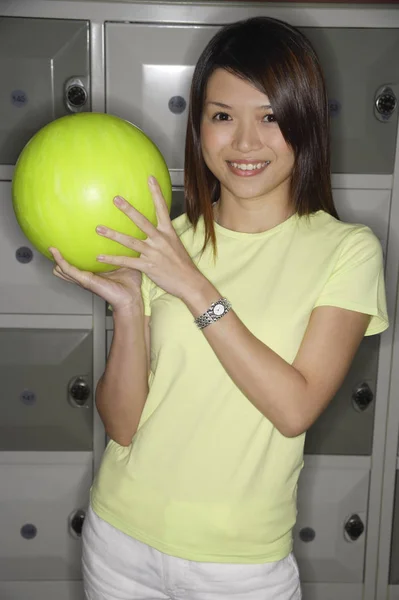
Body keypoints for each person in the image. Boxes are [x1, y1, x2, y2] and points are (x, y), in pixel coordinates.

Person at [50, 16, 388, 600]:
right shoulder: (166, 243)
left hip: (240, 568)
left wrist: (193, 286)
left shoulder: (347, 251)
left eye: (271, 117)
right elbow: (124, 425)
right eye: (223, 116)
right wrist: (129, 307)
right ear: (200, 126)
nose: (245, 143)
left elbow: (293, 408)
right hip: (120, 544)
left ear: (304, 122)